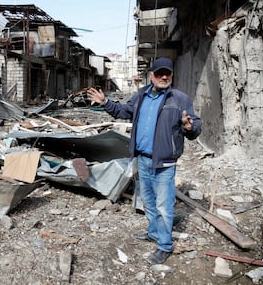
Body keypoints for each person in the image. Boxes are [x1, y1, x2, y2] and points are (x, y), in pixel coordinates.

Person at [86, 57, 201, 264]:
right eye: (159, 73)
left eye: (167, 73)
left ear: (172, 76)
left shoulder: (179, 99)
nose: (164, 77)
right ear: (151, 76)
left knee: (164, 205)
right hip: (142, 159)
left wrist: (190, 127)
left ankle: (164, 245)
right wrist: (105, 103)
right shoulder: (141, 95)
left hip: (164, 162)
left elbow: (194, 127)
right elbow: (124, 112)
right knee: (147, 201)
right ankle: (153, 232)